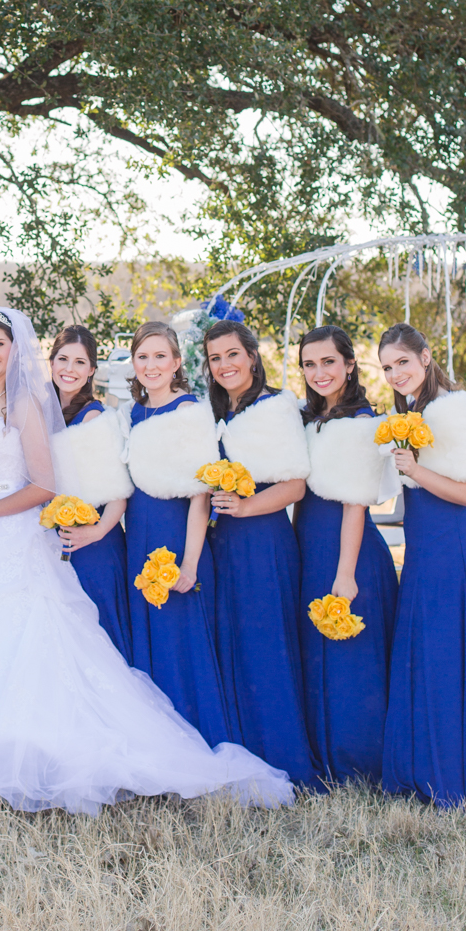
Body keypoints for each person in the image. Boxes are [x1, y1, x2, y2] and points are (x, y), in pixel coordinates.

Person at [0, 307, 293, 813]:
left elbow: (44, 486)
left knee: (25, 645)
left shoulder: (26, 404)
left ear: (15, 351)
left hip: (9, 534)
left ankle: (29, 754)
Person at [377, 323, 466, 808]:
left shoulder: (453, 406)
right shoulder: (410, 411)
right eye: (387, 367)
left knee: (446, 660)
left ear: (426, 357)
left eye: (403, 362)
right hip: (423, 549)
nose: (395, 374)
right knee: (424, 658)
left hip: (452, 548)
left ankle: (451, 777)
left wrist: (415, 469)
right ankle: (423, 769)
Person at [207, 317, 320, 789]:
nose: (225, 365)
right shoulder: (219, 412)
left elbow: (296, 482)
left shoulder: (275, 408)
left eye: (233, 354)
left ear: (252, 356)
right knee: (233, 646)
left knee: (265, 647)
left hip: (262, 540)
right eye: (215, 358)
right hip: (224, 543)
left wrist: (247, 505)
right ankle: (244, 753)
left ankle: (284, 759)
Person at [294, 325, 398, 785]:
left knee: (350, 661)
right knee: (319, 656)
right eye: (309, 364)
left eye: (329, 362)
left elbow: (356, 503)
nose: (319, 372)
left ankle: (360, 763)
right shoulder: (311, 416)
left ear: (350, 365)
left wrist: (346, 573)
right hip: (310, 545)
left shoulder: (361, 422)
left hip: (346, 553)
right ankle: (326, 754)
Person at [123, 321, 231, 741]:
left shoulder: (189, 410)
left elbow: (199, 496)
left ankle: (196, 741)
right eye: (143, 357)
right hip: (139, 539)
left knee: (180, 644)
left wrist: (189, 562)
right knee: (149, 638)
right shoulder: (131, 413)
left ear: (177, 361)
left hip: (178, 538)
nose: (151, 365)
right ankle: (156, 743)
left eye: (160, 356)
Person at [47, 324, 133, 661]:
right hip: (54, 540)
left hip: (93, 544)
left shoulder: (94, 417)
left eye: (80, 362)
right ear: (51, 362)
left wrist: (94, 532)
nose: (70, 369)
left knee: (99, 643)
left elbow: (117, 494)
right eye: (63, 359)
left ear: (92, 371)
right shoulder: (39, 412)